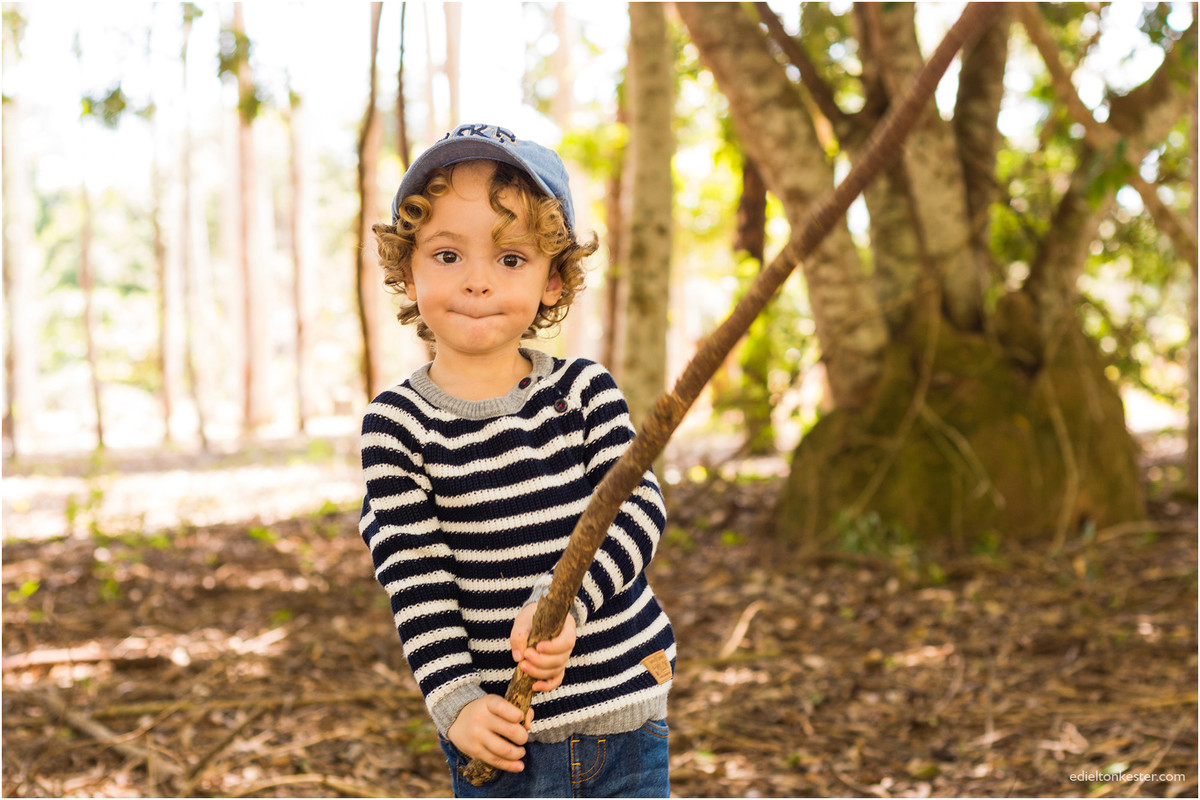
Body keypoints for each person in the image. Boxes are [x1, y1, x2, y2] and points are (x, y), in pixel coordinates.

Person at [359, 123, 675, 798]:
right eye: (447, 255)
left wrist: (565, 604)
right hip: (502, 740)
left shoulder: (584, 392)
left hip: (624, 712)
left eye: (510, 259)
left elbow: (635, 514)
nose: (477, 281)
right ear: (408, 273)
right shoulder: (399, 427)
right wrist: (455, 703)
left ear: (553, 281)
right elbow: (416, 581)